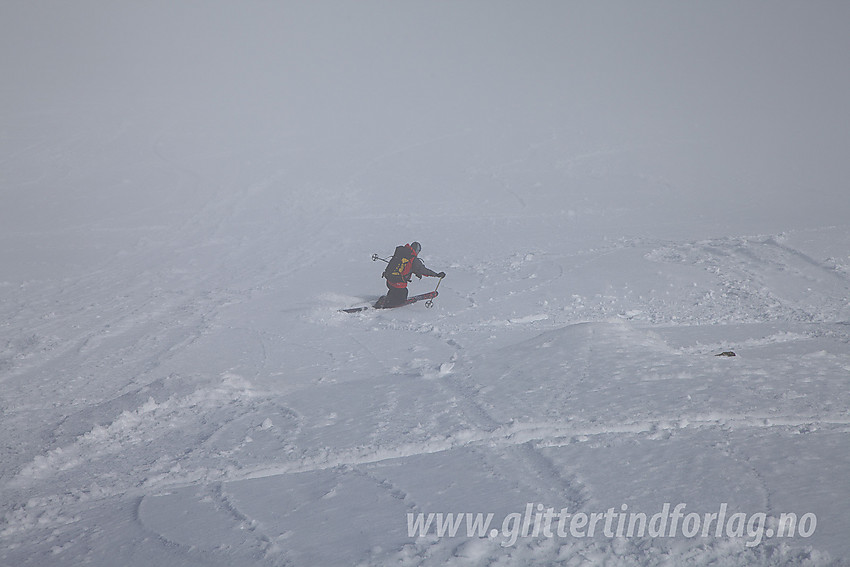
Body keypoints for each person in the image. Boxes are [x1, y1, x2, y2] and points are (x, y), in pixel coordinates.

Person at [379, 241, 445, 308]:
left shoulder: (401, 254)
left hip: (389, 281)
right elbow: (423, 270)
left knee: (394, 291)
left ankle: (389, 298)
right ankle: (389, 304)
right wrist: (436, 274)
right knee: (402, 294)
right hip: (398, 284)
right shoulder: (413, 259)